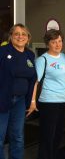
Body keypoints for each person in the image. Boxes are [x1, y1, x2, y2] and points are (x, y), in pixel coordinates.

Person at [0, 23, 37, 159]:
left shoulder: (30, 54)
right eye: (16, 34)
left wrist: (32, 101)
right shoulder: (3, 51)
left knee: (18, 136)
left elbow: (33, 79)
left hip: (20, 102)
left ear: (28, 38)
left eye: (23, 34)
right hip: (3, 99)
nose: (20, 36)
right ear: (11, 37)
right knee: (0, 136)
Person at [35, 29, 65, 159]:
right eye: (54, 42)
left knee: (58, 135)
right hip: (49, 102)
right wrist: (33, 102)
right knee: (47, 136)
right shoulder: (42, 60)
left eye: (60, 41)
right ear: (47, 43)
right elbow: (36, 82)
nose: (58, 44)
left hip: (63, 102)